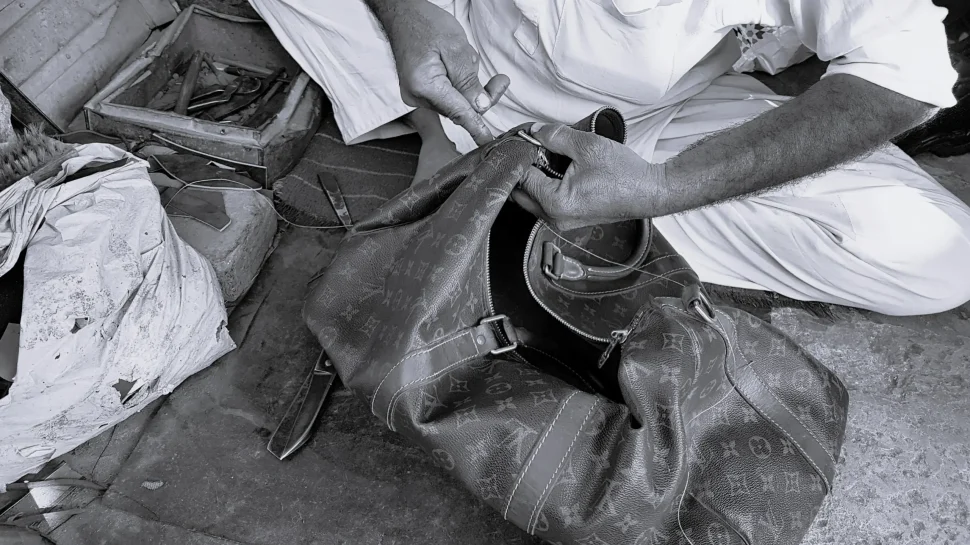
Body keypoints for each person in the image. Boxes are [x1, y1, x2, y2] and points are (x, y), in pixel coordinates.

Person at [248, 0, 970, 317]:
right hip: (460, 67)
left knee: (937, 258)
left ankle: (563, 206)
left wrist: (663, 187)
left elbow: (902, 76)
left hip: (660, 127)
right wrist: (408, 13)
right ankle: (460, 156)